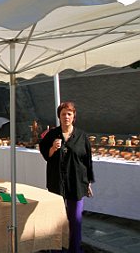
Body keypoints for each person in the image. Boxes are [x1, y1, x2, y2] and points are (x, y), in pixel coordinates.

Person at [40, 101, 94, 253]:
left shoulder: (82, 136)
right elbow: (46, 155)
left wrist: (88, 182)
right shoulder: (51, 135)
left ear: (73, 116)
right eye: (63, 114)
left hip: (77, 181)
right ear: (59, 116)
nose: (66, 117)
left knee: (75, 219)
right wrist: (52, 148)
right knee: (56, 219)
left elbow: (87, 160)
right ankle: (57, 249)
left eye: (69, 114)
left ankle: (75, 249)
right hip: (57, 181)